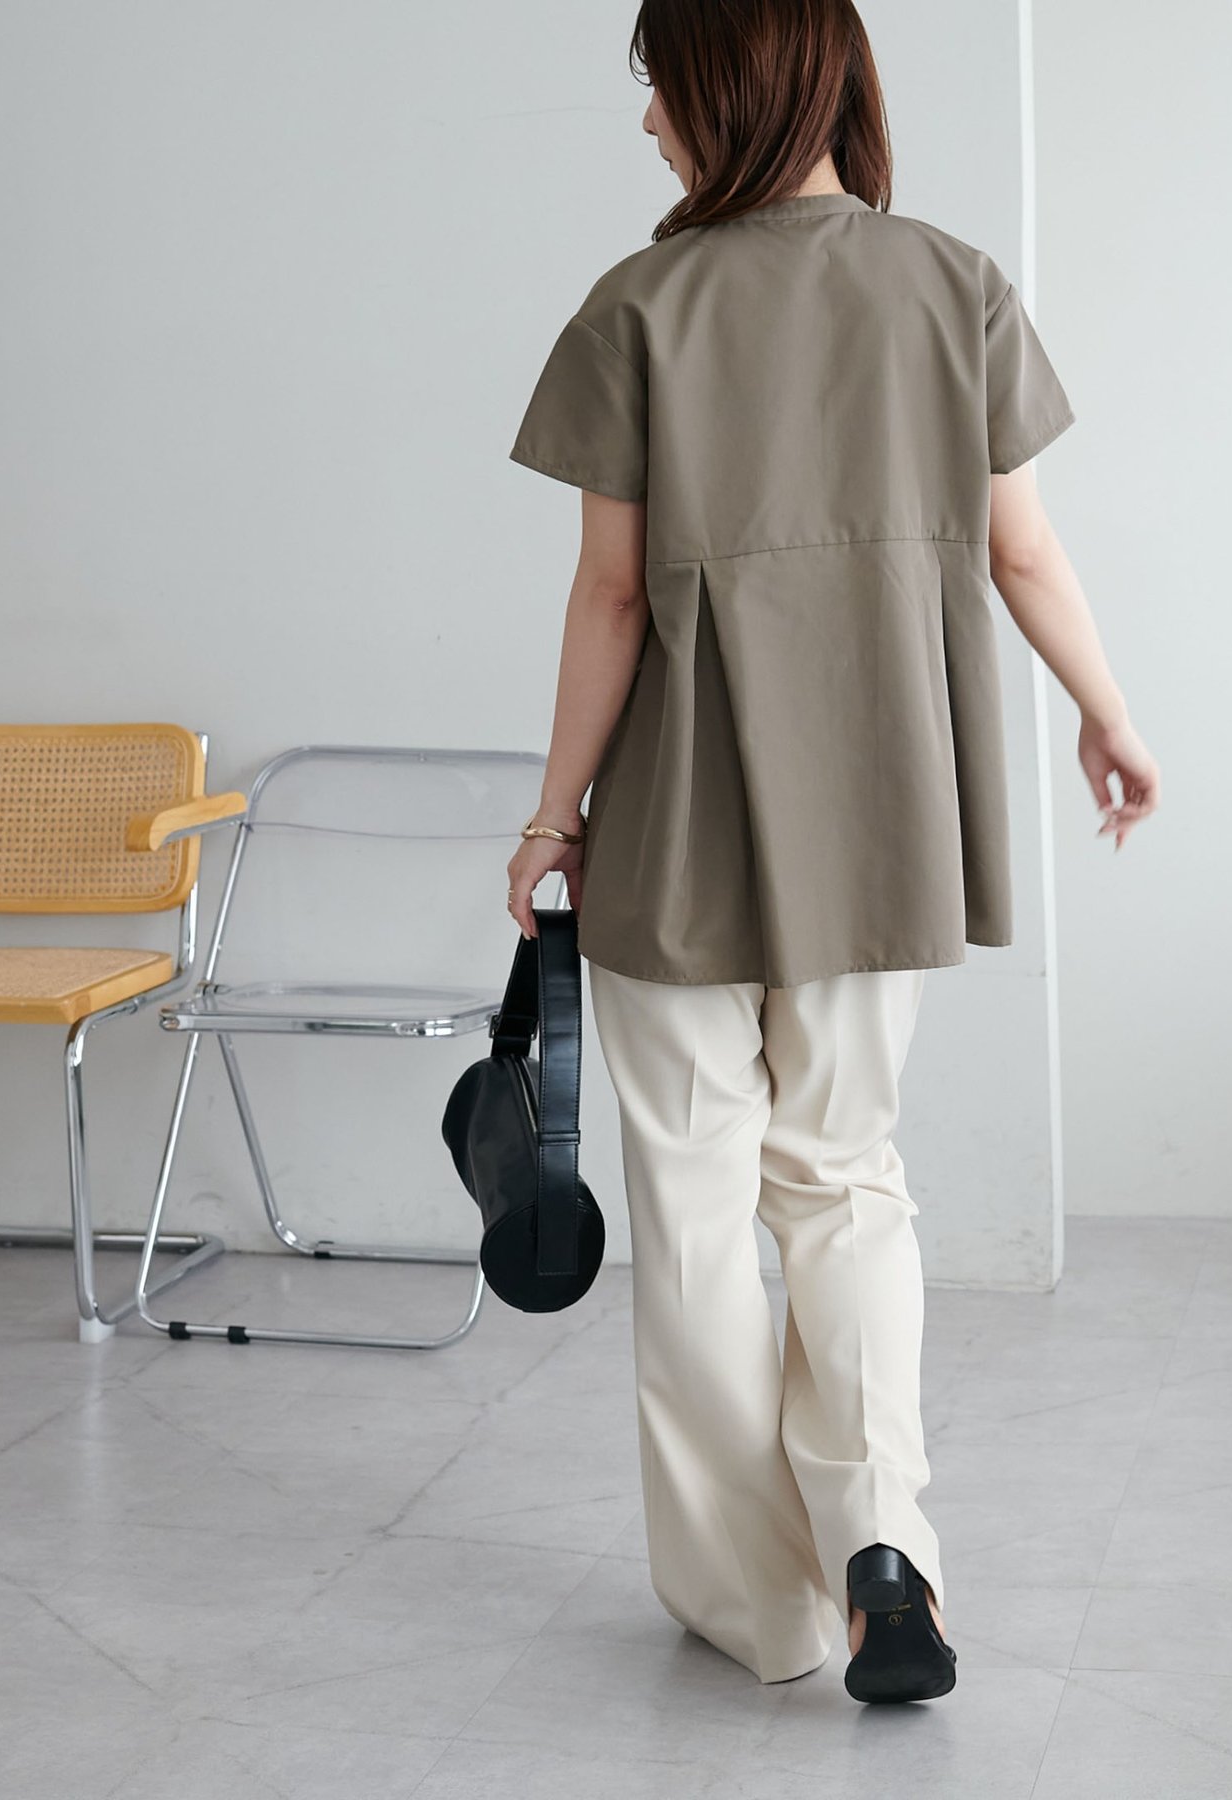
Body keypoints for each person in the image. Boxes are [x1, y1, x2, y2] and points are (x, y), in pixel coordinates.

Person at [504, 0, 1160, 1705]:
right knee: (846, 1176)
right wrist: (1104, 711)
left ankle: (761, 1608)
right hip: (882, 815)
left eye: (660, 86)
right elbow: (1023, 552)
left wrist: (555, 816)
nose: (648, 120)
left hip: (678, 829)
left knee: (697, 1205)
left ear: (723, 89)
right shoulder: (954, 284)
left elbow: (612, 596)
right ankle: (885, 1554)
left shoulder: (639, 307)